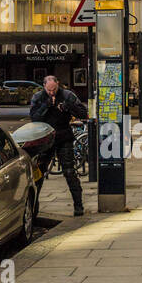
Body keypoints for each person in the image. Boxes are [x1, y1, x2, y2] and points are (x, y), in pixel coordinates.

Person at [29, 74, 88, 216]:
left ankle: (78, 206)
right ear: (44, 86)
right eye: (49, 90)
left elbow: (83, 113)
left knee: (69, 171)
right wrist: (46, 106)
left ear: (58, 85)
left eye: (54, 89)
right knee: (39, 174)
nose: (52, 92)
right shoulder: (38, 97)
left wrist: (69, 107)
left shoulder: (67, 95)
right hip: (44, 138)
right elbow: (34, 117)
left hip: (63, 136)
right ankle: (33, 207)